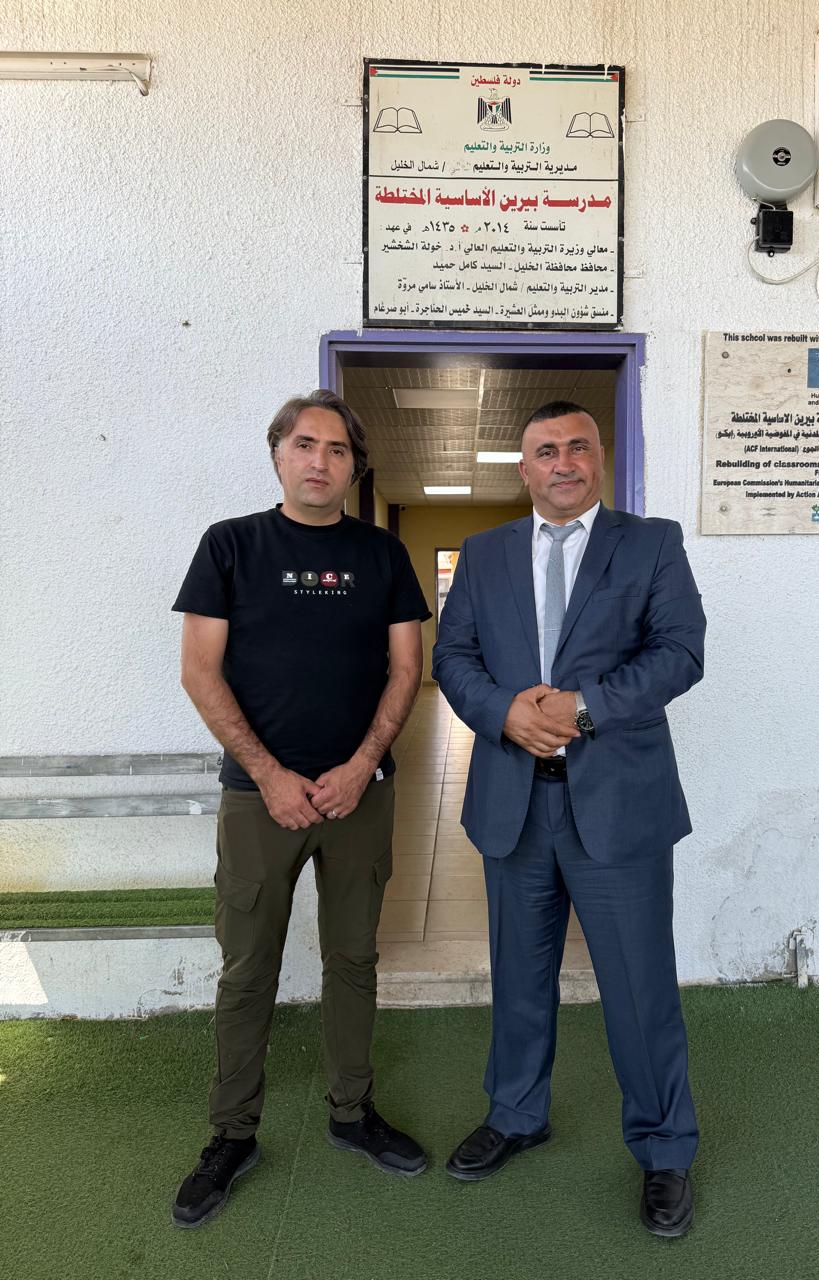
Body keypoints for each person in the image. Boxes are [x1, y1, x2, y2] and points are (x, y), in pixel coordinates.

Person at [433, 401, 706, 1238]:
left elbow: (680, 652)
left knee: (639, 987)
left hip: (617, 803)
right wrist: (504, 713)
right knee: (519, 974)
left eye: (578, 447)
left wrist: (582, 708)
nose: (563, 462)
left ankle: (664, 1149)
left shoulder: (651, 544)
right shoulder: (484, 553)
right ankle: (516, 1114)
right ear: (524, 468)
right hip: (514, 801)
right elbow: (453, 655)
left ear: (600, 459)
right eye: (546, 450)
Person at [170, 389, 431, 1228]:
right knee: (248, 968)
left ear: (355, 467)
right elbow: (200, 671)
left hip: (360, 795)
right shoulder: (230, 545)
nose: (321, 460)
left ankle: (352, 1112)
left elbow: (406, 669)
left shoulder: (382, 555)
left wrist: (360, 766)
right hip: (259, 800)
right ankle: (232, 1134)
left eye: (338, 449)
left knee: (354, 959)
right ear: (278, 454)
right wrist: (271, 775)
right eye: (306, 444)